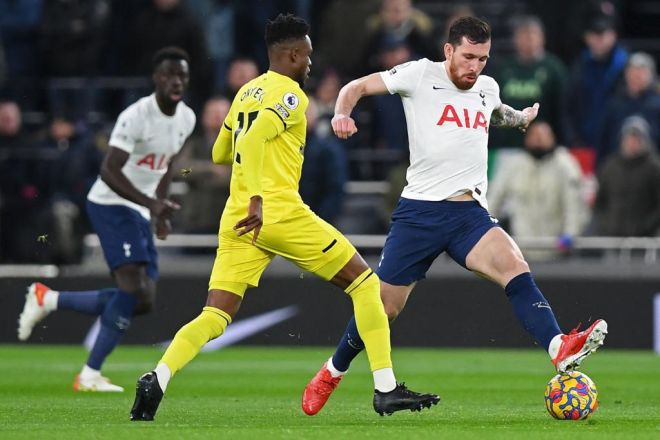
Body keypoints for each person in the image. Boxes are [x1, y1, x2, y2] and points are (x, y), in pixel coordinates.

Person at [129, 14, 439, 422]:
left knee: (215, 315)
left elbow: (222, 152)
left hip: (236, 217)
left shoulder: (245, 92)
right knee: (366, 286)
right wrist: (259, 195)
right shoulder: (291, 97)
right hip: (274, 212)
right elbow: (257, 137)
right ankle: (385, 389)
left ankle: (159, 376)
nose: (310, 63)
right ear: (291, 54)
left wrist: (251, 183)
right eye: (307, 56)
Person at [302, 16, 608, 416]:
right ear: (448, 50)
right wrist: (341, 113)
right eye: (468, 57)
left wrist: (519, 119)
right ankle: (331, 371)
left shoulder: (486, 86)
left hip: (469, 215)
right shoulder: (418, 75)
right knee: (384, 308)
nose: (475, 67)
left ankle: (558, 348)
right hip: (419, 214)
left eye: (482, 59)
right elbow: (354, 87)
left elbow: (494, 112)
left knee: (515, 267)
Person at [16, 47, 196, 392]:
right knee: (131, 289)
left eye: (182, 76)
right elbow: (109, 170)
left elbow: (169, 163)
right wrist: (150, 203)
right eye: (169, 75)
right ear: (156, 79)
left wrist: (157, 207)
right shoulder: (136, 116)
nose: (176, 81)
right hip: (111, 203)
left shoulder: (186, 118)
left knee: (142, 299)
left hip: (141, 208)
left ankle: (47, 299)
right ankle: (89, 374)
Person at [488, 121, 588, 260]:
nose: (538, 139)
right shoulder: (513, 164)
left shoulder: (565, 164)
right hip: (520, 251)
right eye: (534, 135)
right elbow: (494, 200)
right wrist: (488, 231)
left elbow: (574, 206)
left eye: (543, 135)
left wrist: (570, 234)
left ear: (552, 138)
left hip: (555, 251)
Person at [594, 116, 660, 236]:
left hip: (644, 240)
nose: (632, 143)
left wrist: (646, 227)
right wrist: (607, 225)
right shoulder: (610, 167)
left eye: (636, 139)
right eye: (629, 138)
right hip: (613, 238)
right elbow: (599, 204)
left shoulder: (654, 168)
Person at [599, 52, 660, 163]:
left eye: (642, 72)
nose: (637, 76)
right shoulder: (615, 105)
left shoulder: (657, 106)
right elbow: (604, 140)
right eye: (633, 71)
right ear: (626, 74)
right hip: (619, 168)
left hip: (652, 169)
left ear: (651, 75)